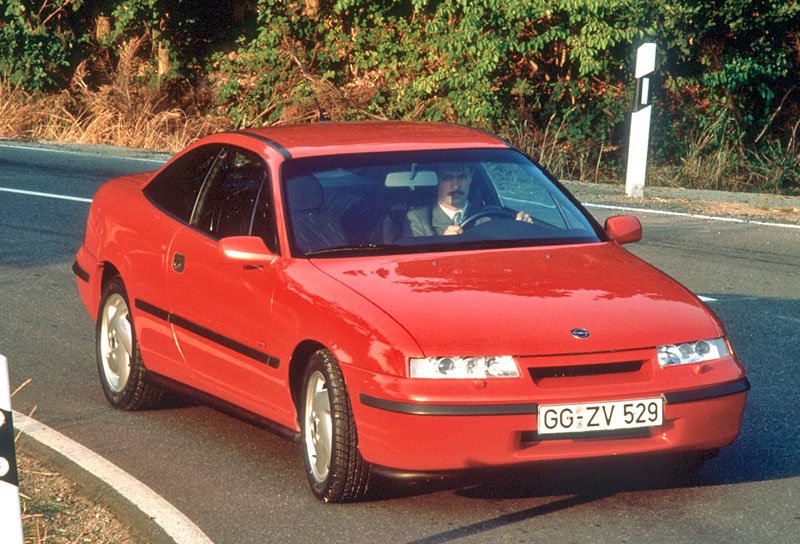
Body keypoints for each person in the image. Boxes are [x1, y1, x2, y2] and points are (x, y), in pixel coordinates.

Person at [403, 162, 532, 237]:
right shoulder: (418, 219)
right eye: (447, 178)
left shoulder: (493, 216)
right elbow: (415, 266)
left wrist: (521, 230)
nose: (456, 186)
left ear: (471, 177)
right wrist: (442, 243)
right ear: (437, 181)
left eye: (462, 177)